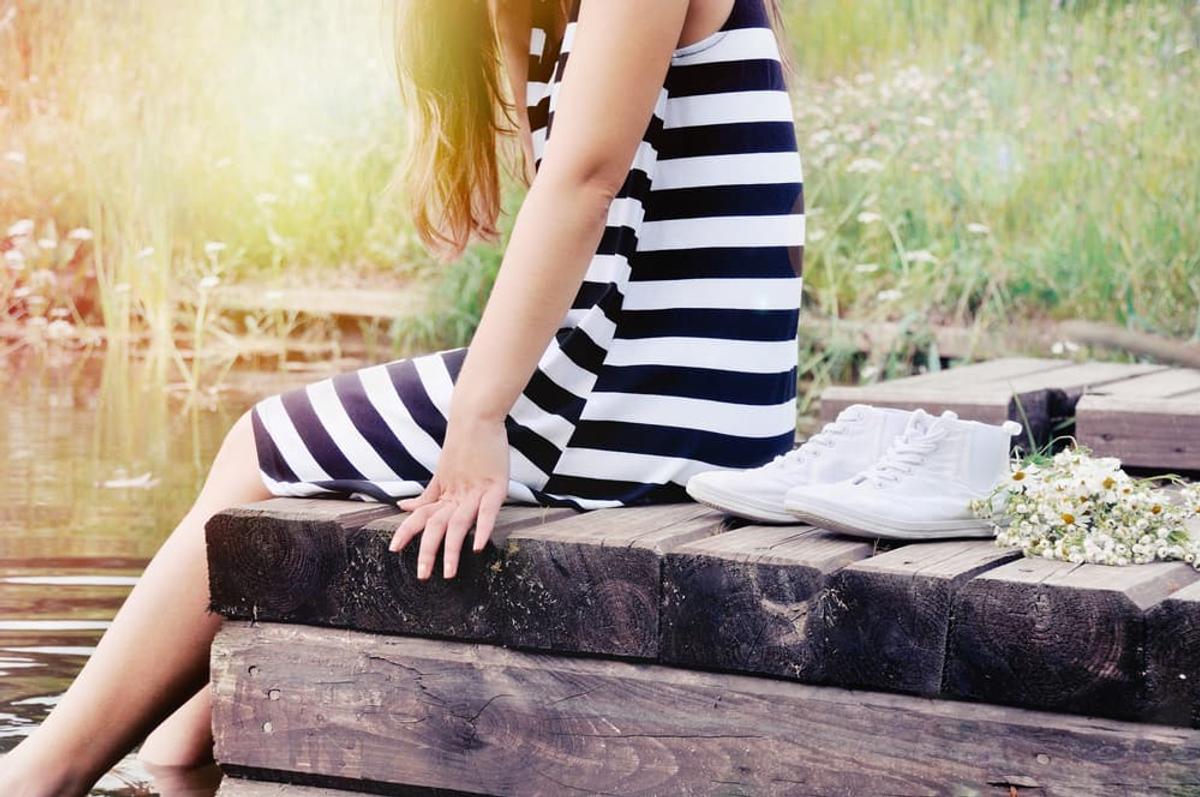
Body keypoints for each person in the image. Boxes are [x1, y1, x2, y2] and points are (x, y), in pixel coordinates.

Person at [0, 0, 803, 792]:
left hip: (649, 392)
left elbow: (586, 181)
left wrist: (479, 415)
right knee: (176, 740)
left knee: (265, 443)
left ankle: (44, 772)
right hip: (670, 387)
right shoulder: (541, 11)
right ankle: (171, 760)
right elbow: (557, 180)